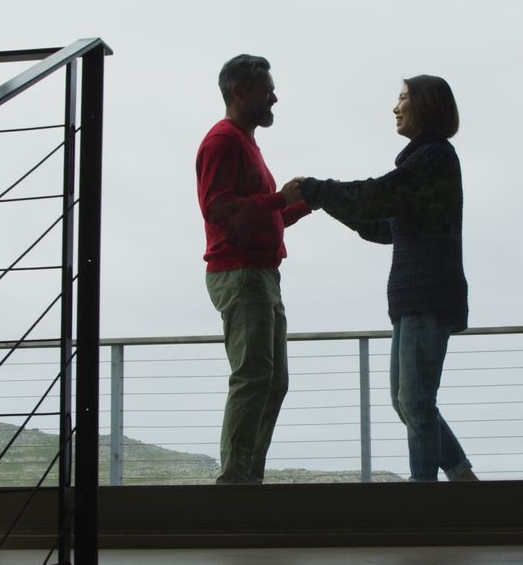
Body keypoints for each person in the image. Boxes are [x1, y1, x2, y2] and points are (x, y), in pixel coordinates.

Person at [281, 75, 477, 482]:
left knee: (415, 401)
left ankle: (426, 497)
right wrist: (322, 201)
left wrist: (318, 190)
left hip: (428, 296)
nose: (395, 107)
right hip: (413, 299)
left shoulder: (434, 157)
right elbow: (381, 225)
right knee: (406, 402)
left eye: (403, 98)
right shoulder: (420, 163)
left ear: (425, 105)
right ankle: (462, 478)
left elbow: (377, 197)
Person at [196, 54, 311, 484]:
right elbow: (219, 209)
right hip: (241, 273)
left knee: (273, 380)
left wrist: (300, 204)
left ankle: (247, 478)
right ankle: (234, 483)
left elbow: (259, 215)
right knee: (253, 377)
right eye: (266, 90)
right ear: (239, 92)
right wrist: (280, 199)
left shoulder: (243, 141)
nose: (274, 98)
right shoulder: (223, 140)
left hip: (260, 274)